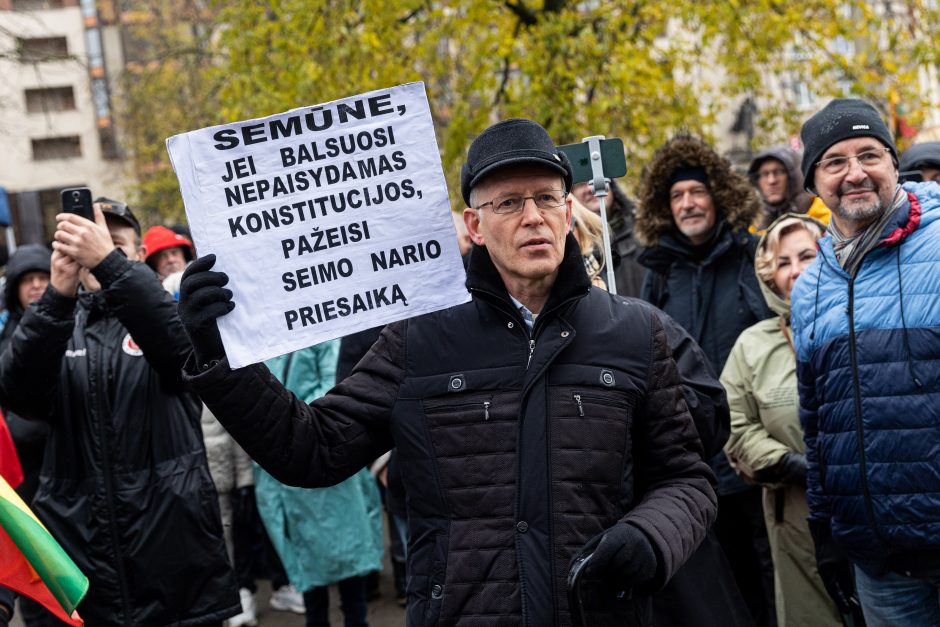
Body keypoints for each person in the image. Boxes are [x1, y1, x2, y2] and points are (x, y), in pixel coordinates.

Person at [178, 117, 719, 626]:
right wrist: (218, 356)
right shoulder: (420, 337)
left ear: (568, 212)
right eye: (509, 202)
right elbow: (311, 449)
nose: (534, 217)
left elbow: (687, 478)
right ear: (474, 225)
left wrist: (650, 538)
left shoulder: (634, 332)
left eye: (547, 198)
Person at [0, 199, 238, 625]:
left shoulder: (170, 313)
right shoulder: (54, 322)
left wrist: (108, 266)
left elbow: (185, 357)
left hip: (174, 558)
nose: (97, 250)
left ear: (140, 254)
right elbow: (21, 395)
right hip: (78, 558)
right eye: (88, 241)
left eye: (114, 243)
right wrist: (57, 293)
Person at [791, 97, 940, 626]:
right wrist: (825, 530)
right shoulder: (809, 289)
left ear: (893, 163)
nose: (855, 173)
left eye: (869, 155)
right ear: (814, 183)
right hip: (879, 565)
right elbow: (817, 426)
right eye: (834, 162)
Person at [635, 133, 775, 627]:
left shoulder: (753, 257)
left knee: (770, 578)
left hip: (760, 456)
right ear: (663, 206)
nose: (688, 203)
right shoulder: (657, 273)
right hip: (692, 464)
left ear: (717, 194)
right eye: (676, 195)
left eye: (696, 192)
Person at [721, 214, 841, 627]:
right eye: (783, 262)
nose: (796, 271)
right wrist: (791, 463)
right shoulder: (753, 345)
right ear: (769, 276)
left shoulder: (862, 322)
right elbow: (735, 425)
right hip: (793, 512)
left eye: (806, 256)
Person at [257, 340, 383, 627]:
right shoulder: (270, 339)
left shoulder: (321, 337)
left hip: (324, 458)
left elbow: (331, 385)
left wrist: (285, 420)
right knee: (313, 577)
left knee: (346, 568)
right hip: (295, 465)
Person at [569, 180, 645, 296]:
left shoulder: (645, 229)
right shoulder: (570, 249)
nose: (590, 188)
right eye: (581, 184)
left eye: (594, 179)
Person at [747, 145, 829, 231]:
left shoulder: (826, 216)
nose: (771, 181)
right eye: (764, 174)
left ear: (795, 176)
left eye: (778, 172)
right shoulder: (754, 228)